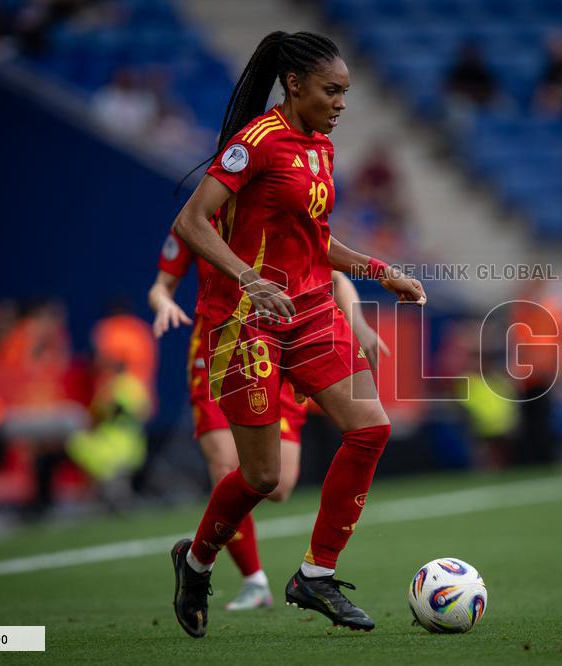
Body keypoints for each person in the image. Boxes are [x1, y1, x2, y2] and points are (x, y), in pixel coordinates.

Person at [164, 31, 425, 637]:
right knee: (262, 478)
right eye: (332, 91)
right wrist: (249, 279)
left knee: (371, 428)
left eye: (346, 94)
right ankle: (197, 561)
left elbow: (317, 242)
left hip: (309, 311)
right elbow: (192, 222)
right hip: (244, 324)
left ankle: (316, 574)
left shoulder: (322, 149)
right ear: (295, 84)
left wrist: (381, 272)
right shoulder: (253, 144)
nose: (340, 104)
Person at [148, 229, 386, 611]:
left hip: (287, 341)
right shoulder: (202, 217)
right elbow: (162, 284)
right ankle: (252, 580)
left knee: (275, 483)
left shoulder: (275, 202)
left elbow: (332, 268)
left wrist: (360, 323)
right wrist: (163, 303)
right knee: (228, 461)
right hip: (223, 343)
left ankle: (199, 559)